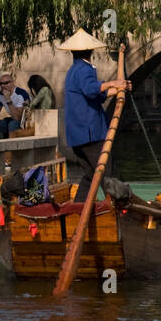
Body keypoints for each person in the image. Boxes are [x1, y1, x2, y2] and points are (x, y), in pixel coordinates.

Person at [60, 29, 131, 203]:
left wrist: (116, 90)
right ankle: (119, 208)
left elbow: (93, 96)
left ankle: (78, 206)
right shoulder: (85, 69)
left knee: (90, 175)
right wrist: (114, 83)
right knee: (109, 174)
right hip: (89, 133)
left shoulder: (72, 71)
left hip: (77, 136)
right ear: (91, 52)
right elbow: (91, 88)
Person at [0, 73, 31, 140]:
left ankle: (11, 148)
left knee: (12, 124)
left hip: (25, 123)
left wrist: (8, 99)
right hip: (12, 121)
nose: (3, 85)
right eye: (1, 84)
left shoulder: (21, 94)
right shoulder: (1, 95)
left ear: (12, 83)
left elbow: (18, 118)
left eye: (6, 83)